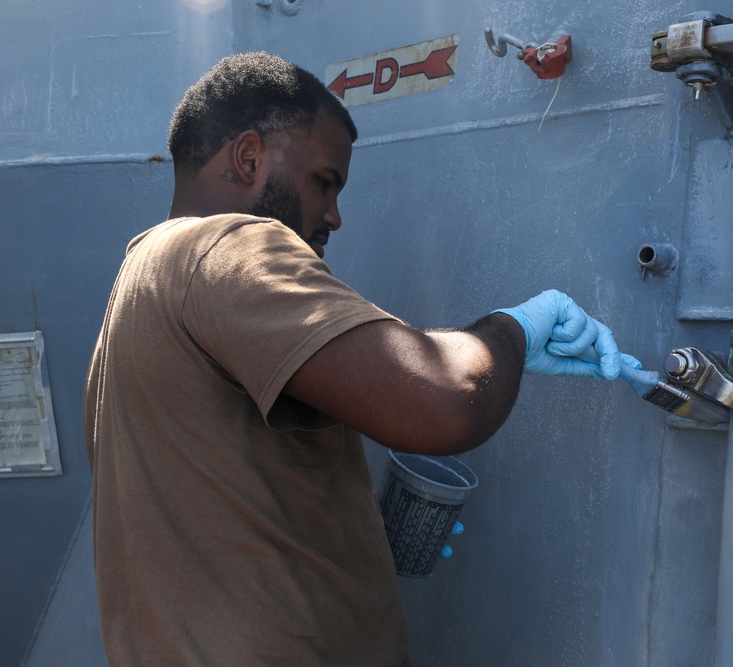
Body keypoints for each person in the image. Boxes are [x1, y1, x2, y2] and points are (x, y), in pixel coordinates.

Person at [83, 51, 623, 666]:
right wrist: (516, 331)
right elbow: (445, 403)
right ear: (250, 158)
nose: (334, 214)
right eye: (324, 182)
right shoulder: (225, 246)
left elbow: (225, 500)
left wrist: (352, 527)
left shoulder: (143, 278)